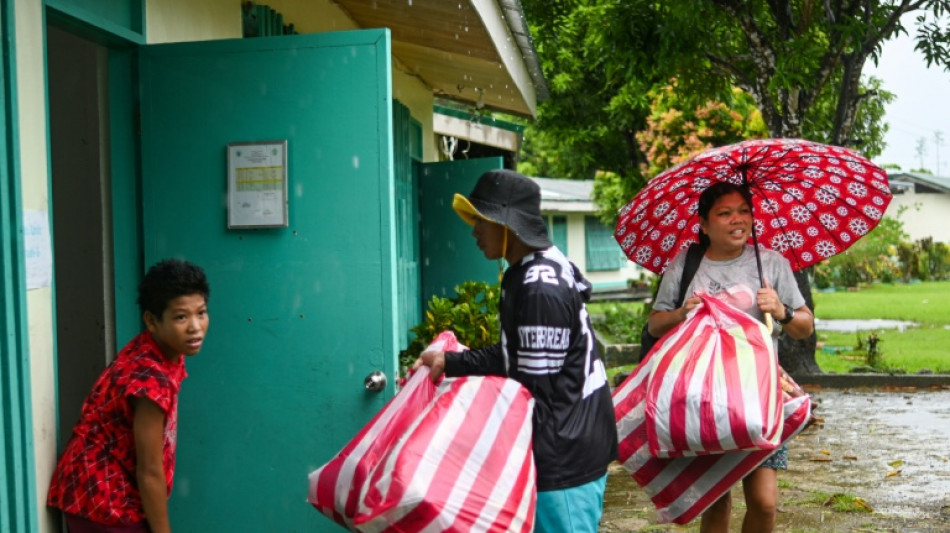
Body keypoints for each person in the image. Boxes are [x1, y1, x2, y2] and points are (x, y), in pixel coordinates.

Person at [413, 169, 618, 533]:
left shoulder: (539, 286)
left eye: (481, 220)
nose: (474, 231)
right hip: (564, 440)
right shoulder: (532, 269)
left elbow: (536, 387)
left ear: (507, 224)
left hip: (563, 453)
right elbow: (520, 354)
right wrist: (451, 361)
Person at [647, 181, 814, 533]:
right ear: (704, 225)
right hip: (703, 396)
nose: (737, 220)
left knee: (765, 504)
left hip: (760, 396)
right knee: (716, 499)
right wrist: (682, 313)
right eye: (724, 213)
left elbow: (805, 327)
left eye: (743, 211)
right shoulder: (686, 264)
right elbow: (655, 325)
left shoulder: (771, 263)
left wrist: (781, 311)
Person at [47, 259, 210, 533]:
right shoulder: (150, 380)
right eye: (181, 317)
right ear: (151, 321)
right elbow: (149, 471)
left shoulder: (158, 350)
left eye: (201, 313)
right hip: (103, 500)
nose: (195, 326)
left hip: (93, 491)